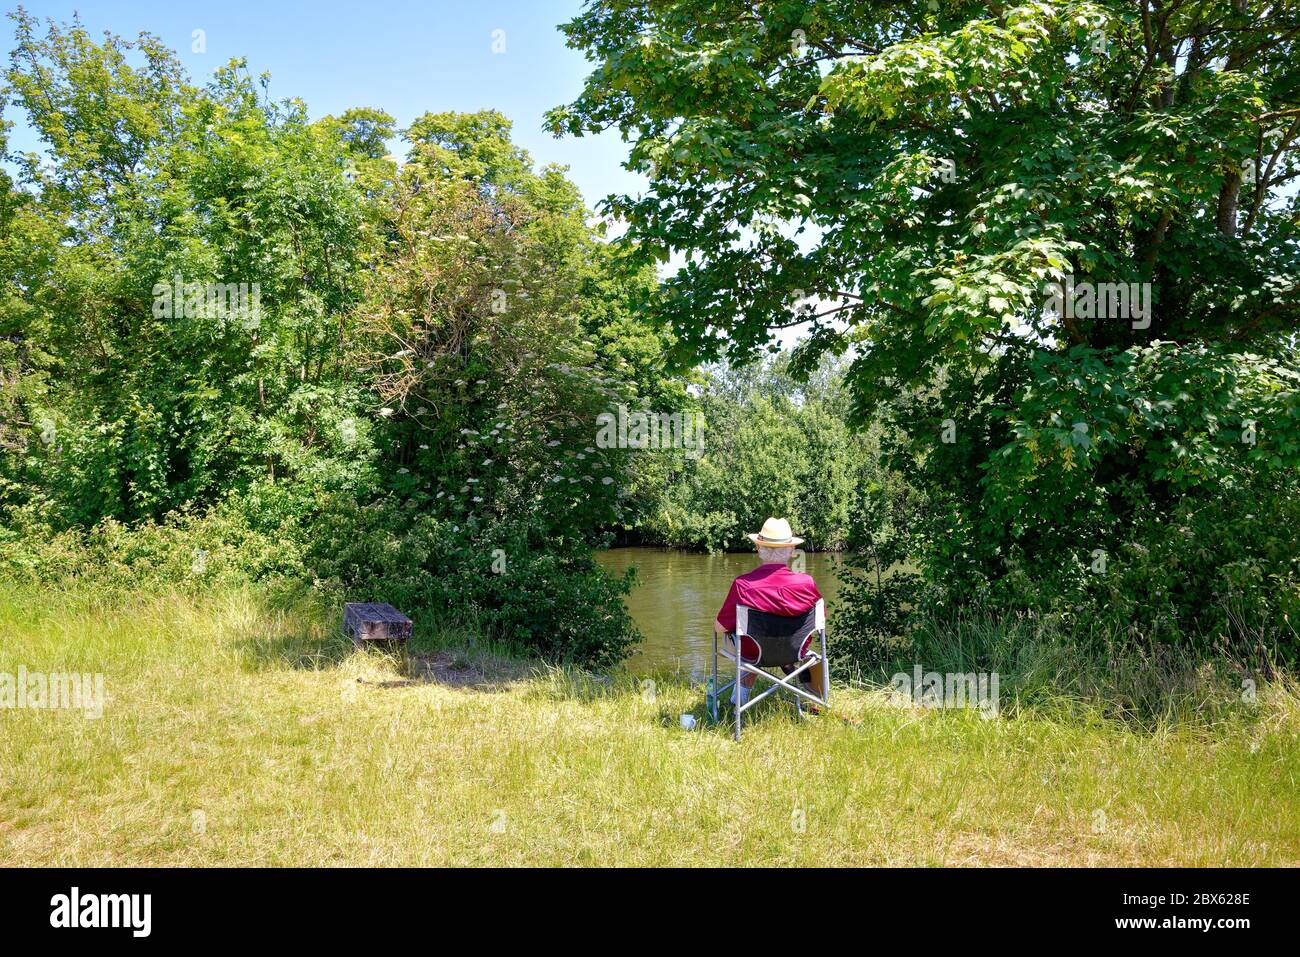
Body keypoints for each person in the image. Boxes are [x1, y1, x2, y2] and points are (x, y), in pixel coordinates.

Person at [714, 517, 824, 709]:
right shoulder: (807, 583)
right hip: (795, 651)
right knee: (765, 637)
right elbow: (820, 620)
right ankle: (812, 691)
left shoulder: (743, 585)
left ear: (759, 549)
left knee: (743, 638)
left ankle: (737, 704)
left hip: (755, 653)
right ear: (790, 551)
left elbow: (719, 627)